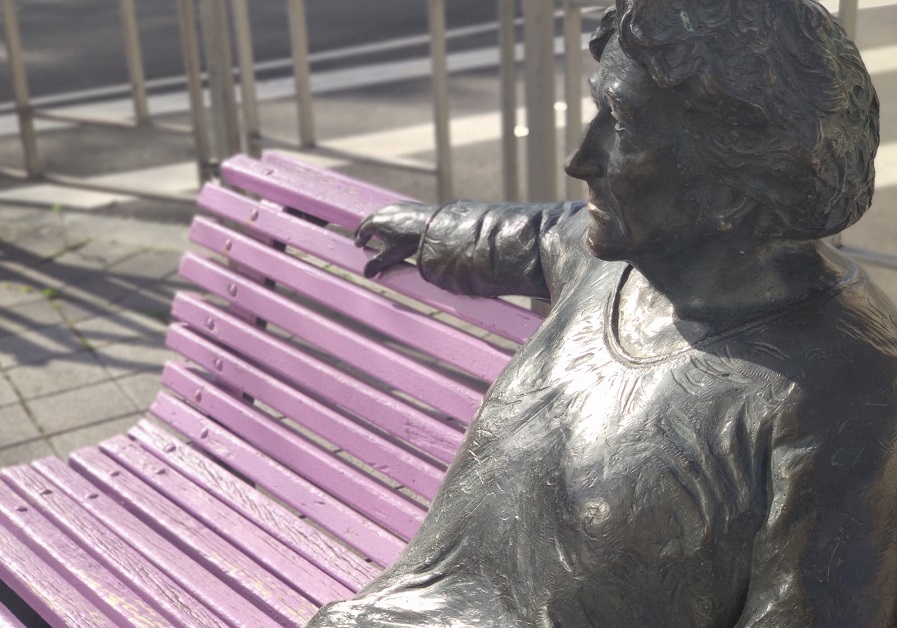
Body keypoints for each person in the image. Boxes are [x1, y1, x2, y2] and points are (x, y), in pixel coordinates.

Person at [307, 0, 897, 625]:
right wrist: (435, 229)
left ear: (730, 187)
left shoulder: (841, 392)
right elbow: (539, 233)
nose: (580, 161)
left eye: (623, 128)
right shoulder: (622, 257)